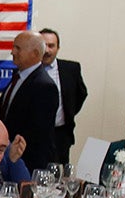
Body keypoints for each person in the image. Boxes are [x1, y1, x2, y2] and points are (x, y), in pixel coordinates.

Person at [0, 30, 60, 172]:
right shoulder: (17, 77)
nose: (12, 52)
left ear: (36, 53)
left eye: (18, 48)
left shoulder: (45, 86)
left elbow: (38, 135)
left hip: (26, 165)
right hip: (6, 159)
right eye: (13, 47)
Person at [38, 28, 88, 164]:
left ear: (58, 48)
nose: (47, 50)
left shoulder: (71, 69)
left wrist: (67, 112)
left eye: (51, 46)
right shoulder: (27, 69)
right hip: (34, 137)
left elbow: (81, 94)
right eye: (43, 45)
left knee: (59, 175)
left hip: (60, 135)